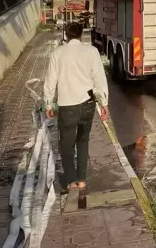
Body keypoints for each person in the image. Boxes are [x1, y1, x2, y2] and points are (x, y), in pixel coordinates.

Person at [44, 22, 109, 191]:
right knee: (83, 141)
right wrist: (104, 103)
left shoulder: (57, 54)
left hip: (67, 107)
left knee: (66, 145)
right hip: (87, 105)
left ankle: (71, 180)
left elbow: (50, 82)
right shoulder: (91, 51)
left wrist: (48, 104)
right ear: (81, 35)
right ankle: (82, 180)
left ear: (66, 35)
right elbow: (100, 79)